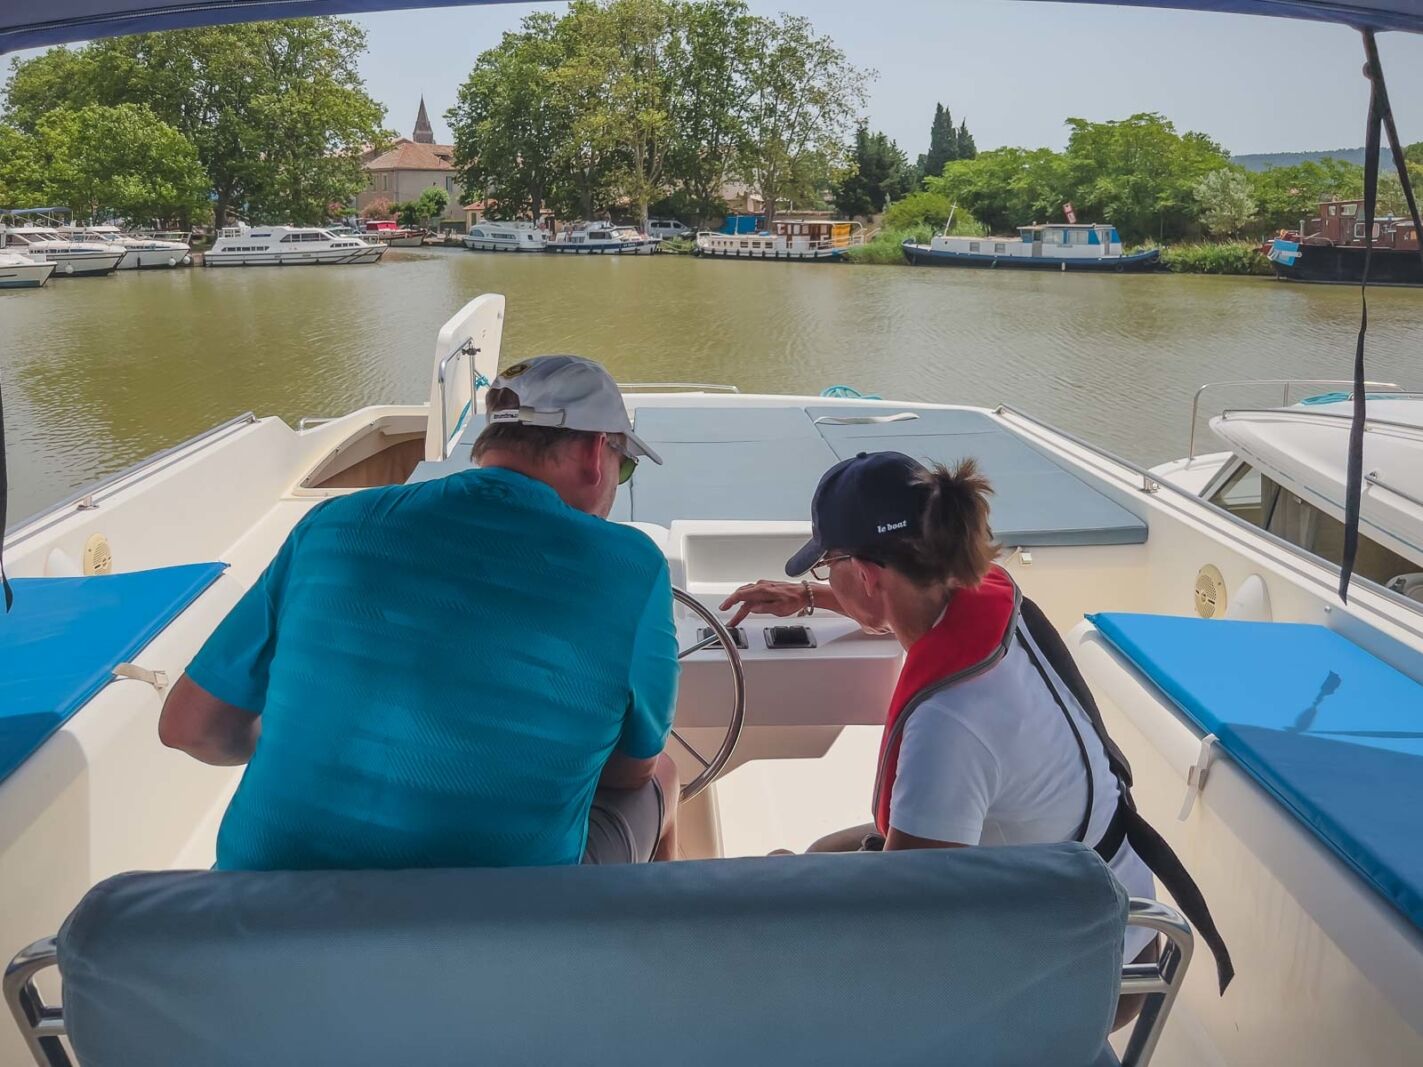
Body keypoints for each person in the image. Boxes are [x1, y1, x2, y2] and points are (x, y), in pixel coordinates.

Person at [720, 450, 1232, 1024]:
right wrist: (813, 598)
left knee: (789, 901)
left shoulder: (951, 721)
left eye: (825, 565)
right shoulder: (976, 591)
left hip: (1084, 970)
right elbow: (895, 596)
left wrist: (786, 888)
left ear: (865, 574)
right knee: (820, 858)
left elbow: (907, 925)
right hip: (1115, 909)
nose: (822, 576)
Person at [159, 355, 681, 870]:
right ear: (595, 451)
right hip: (500, 914)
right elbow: (630, 773)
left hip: (260, 902)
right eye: (624, 466)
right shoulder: (631, 568)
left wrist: (299, 746)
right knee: (665, 775)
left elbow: (188, 728)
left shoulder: (333, 525)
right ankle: (661, 917)